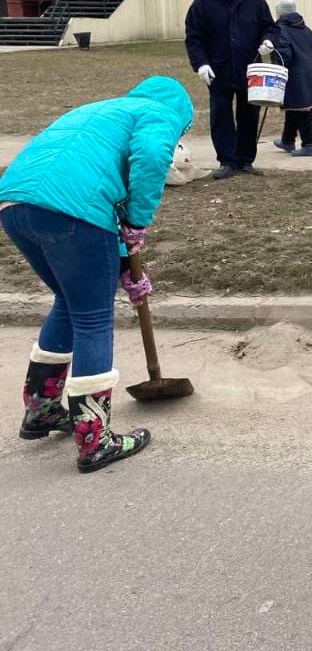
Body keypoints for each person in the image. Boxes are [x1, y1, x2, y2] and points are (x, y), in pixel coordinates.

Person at [0, 76, 193, 473]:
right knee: (92, 317)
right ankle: (95, 440)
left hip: (16, 204)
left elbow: (93, 183)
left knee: (70, 304)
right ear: (182, 115)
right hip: (72, 210)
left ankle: (43, 410)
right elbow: (152, 157)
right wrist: (138, 220)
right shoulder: (160, 113)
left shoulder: (100, 110)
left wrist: (124, 266)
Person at [184, 0, 274, 179]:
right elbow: (194, 37)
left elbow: (269, 27)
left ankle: (245, 160)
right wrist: (201, 64)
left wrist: (268, 41)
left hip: (250, 68)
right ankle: (227, 160)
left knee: (249, 115)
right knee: (221, 115)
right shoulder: (202, 3)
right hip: (218, 71)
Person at [266, 0, 312, 158]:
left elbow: (284, 55)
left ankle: (309, 144)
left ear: (279, 11)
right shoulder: (305, 29)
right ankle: (287, 140)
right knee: (293, 106)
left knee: (302, 109)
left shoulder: (280, 29)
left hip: (297, 73)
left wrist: (275, 62)